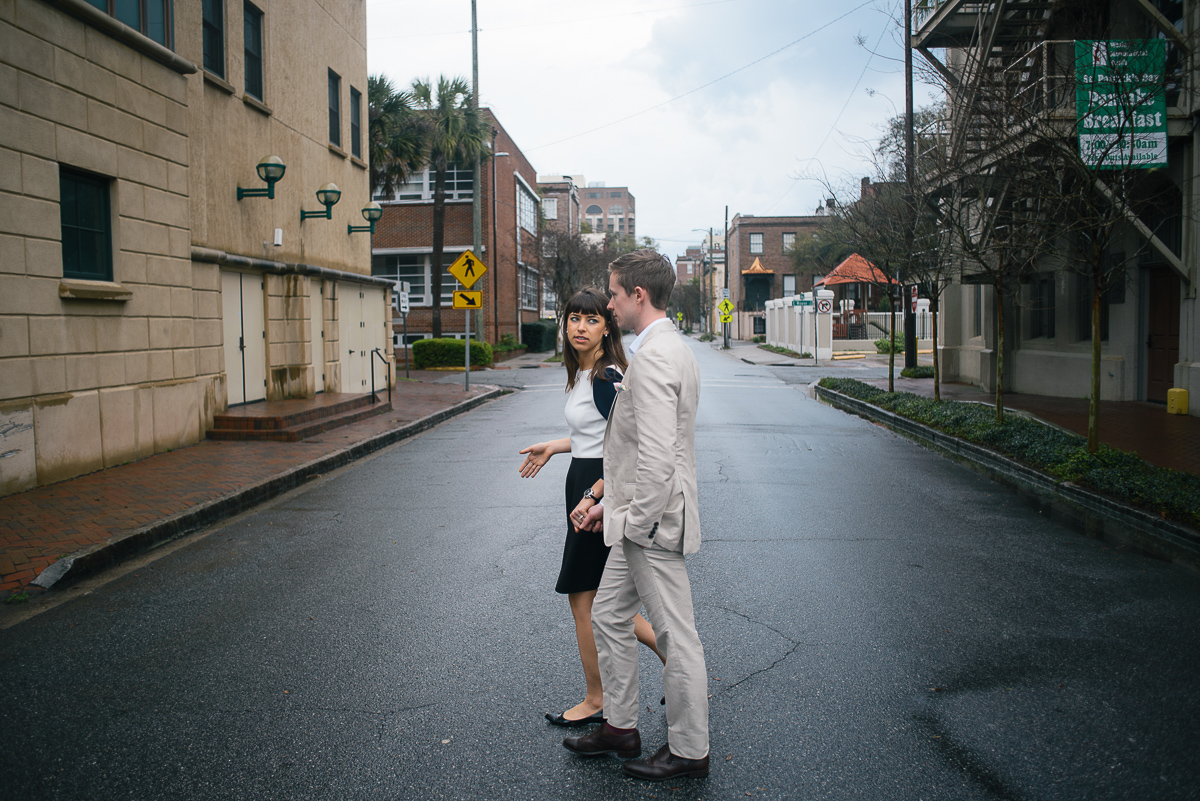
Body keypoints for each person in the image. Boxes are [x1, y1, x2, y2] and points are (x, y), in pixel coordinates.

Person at [562, 249, 710, 782]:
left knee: (676, 637)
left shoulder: (653, 358)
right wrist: (609, 506)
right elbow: (634, 452)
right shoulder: (665, 349)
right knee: (607, 614)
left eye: (615, 293)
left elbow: (657, 458)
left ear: (638, 296)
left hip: (649, 526)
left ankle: (690, 750)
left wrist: (638, 523)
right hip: (631, 519)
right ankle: (620, 727)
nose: (609, 302)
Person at [518, 288, 663, 727]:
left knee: (586, 600)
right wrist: (556, 447)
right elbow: (596, 437)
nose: (580, 327)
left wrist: (595, 495)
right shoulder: (586, 373)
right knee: (602, 599)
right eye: (574, 318)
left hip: (599, 491)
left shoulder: (606, 376)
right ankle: (680, 665)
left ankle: (598, 698)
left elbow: (628, 446)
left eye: (591, 319)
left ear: (607, 326)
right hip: (586, 482)